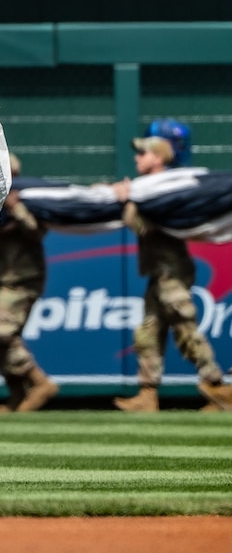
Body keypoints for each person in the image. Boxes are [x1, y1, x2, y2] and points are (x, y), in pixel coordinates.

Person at [111, 132, 232, 412]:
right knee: (148, 333)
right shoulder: (147, 188)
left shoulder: (168, 192)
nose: (136, 158)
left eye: (143, 153)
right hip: (159, 272)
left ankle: (217, 386)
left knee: (184, 326)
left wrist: (127, 204)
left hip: (172, 273)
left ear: (159, 157)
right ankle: (147, 394)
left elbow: (146, 225)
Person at [0, 153, 58, 413]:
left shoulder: (29, 202)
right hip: (5, 278)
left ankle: (40, 383)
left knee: (0, 331)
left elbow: (36, 231)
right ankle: (16, 395)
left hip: (23, 278)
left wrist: (17, 208)